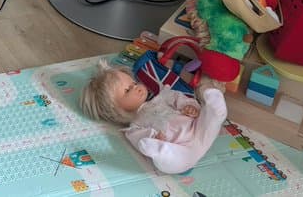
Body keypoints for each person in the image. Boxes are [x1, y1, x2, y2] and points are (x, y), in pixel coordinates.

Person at [79, 61, 227, 174]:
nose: (136, 87)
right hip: (181, 148)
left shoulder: (162, 97)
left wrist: (189, 106)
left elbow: (179, 98)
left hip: (198, 129)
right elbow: (142, 142)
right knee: (169, 162)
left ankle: (216, 111)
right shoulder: (134, 127)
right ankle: (163, 152)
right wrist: (156, 140)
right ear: (115, 108)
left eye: (134, 83)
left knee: (209, 120)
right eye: (128, 90)